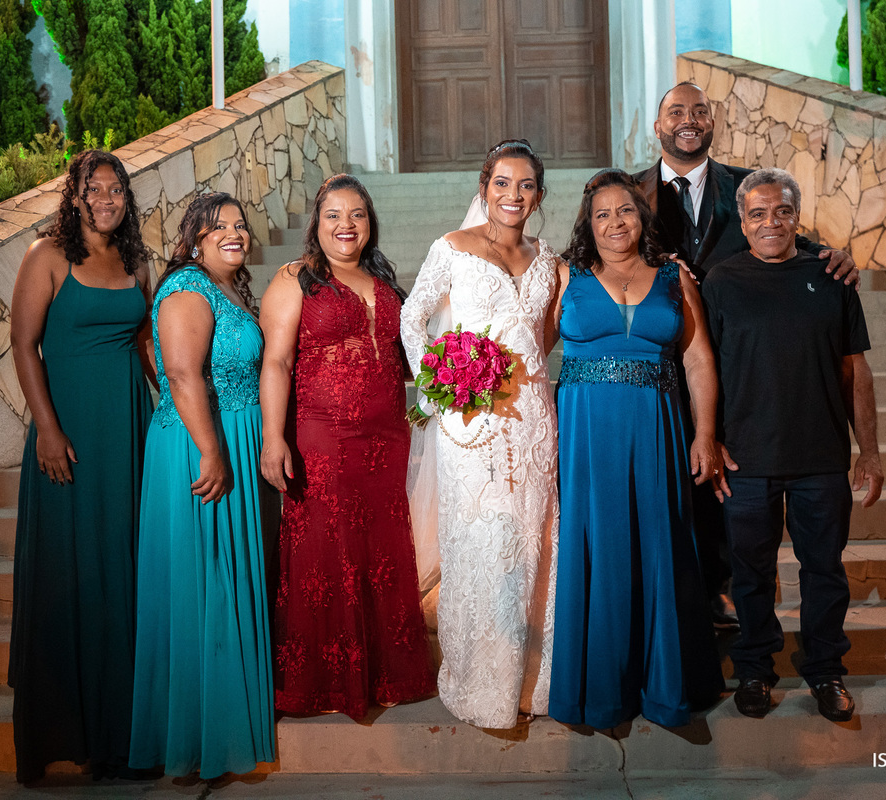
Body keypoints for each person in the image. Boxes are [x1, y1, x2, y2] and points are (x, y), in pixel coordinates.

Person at [634, 81, 860, 629]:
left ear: (712, 123)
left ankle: (734, 602)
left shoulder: (744, 187)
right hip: (656, 368)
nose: (689, 119)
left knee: (728, 484)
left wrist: (827, 256)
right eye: (676, 111)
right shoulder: (631, 195)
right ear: (657, 127)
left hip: (738, 366)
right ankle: (677, 601)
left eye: (700, 111)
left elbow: (776, 234)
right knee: (673, 489)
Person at [701, 168, 883, 722]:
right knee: (751, 574)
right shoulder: (721, 282)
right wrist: (706, 438)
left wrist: (869, 451)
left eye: (781, 211)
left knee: (823, 571)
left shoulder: (832, 278)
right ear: (743, 221)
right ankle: (755, 669)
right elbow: (701, 369)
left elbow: (857, 372)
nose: (770, 223)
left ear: (796, 216)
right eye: (757, 214)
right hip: (746, 460)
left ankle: (826, 670)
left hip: (821, 460)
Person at [547, 169, 727, 729]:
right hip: (586, 436)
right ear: (588, 224)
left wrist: (704, 434)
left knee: (659, 545)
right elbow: (525, 352)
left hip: (657, 431)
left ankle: (665, 687)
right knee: (597, 550)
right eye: (601, 214)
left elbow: (697, 361)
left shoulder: (675, 278)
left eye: (624, 210)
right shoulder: (564, 276)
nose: (614, 222)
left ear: (642, 216)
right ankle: (601, 691)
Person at [259, 174, 435, 720]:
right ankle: (330, 683)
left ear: (370, 222)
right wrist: (272, 437)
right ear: (316, 222)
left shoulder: (383, 278)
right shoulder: (297, 279)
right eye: (334, 214)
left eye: (357, 214)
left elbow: (407, 356)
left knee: (381, 552)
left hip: (386, 439)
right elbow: (278, 362)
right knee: (327, 552)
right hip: (323, 435)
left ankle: (384, 673)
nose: (346, 225)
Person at [400, 139, 560, 730]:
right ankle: (479, 681)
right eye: (501, 183)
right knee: (484, 542)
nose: (512, 195)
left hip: (536, 421)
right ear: (484, 187)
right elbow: (411, 317)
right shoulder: (451, 248)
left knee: (537, 540)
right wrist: (442, 390)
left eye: (524, 185)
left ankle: (532, 681)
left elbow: (544, 336)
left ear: (539, 195)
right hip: (472, 421)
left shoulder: (550, 262)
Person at [8, 150, 153, 783]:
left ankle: (114, 743)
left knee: (121, 575)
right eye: (93, 189)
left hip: (128, 431)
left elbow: (148, 343)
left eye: (115, 188)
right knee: (67, 577)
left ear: (127, 196)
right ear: (74, 197)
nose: (105, 198)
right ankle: (51, 736)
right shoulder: (46, 256)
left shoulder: (137, 262)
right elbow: (23, 342)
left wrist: (181, 410)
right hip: (66, 435)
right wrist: (45, 427)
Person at [129, 193, 276, 777]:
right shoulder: (188, 287)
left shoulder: (233, 287)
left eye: (240, 226)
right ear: (194, 238)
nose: (234, 234)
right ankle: (198, 736)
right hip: (202, 448)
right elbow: (183, 372)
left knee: (225, 579)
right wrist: (210, 449)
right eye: (220, 228)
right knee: (204, 582)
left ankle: (227, 713)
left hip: (231, 436)